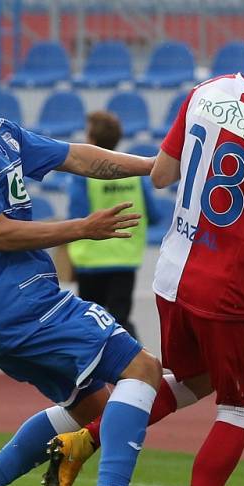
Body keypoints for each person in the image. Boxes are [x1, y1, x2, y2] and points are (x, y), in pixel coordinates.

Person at [42, 10, 244, 486]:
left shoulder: (204, 91)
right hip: (231, 289)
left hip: (174, 275)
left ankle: (84, 440)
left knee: (191, 378)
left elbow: (163, 174)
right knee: (237, 406)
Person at [0, 24, 170, 486]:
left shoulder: (3, 134)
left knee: (94, 409)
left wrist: (153, 167)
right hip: (22, 304)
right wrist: (82, 227)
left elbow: (77, 156)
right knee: (143, 369)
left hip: (12, 311)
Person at [66, 111, 163, 339]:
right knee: (121, 321)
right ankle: (138, 370)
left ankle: (93, 373)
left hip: (90, 261)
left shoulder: (82, 174)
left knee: (90, 324)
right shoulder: (134, 172)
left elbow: (76, 214)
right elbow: (155, 215)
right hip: (124, 259)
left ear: (91, 139)